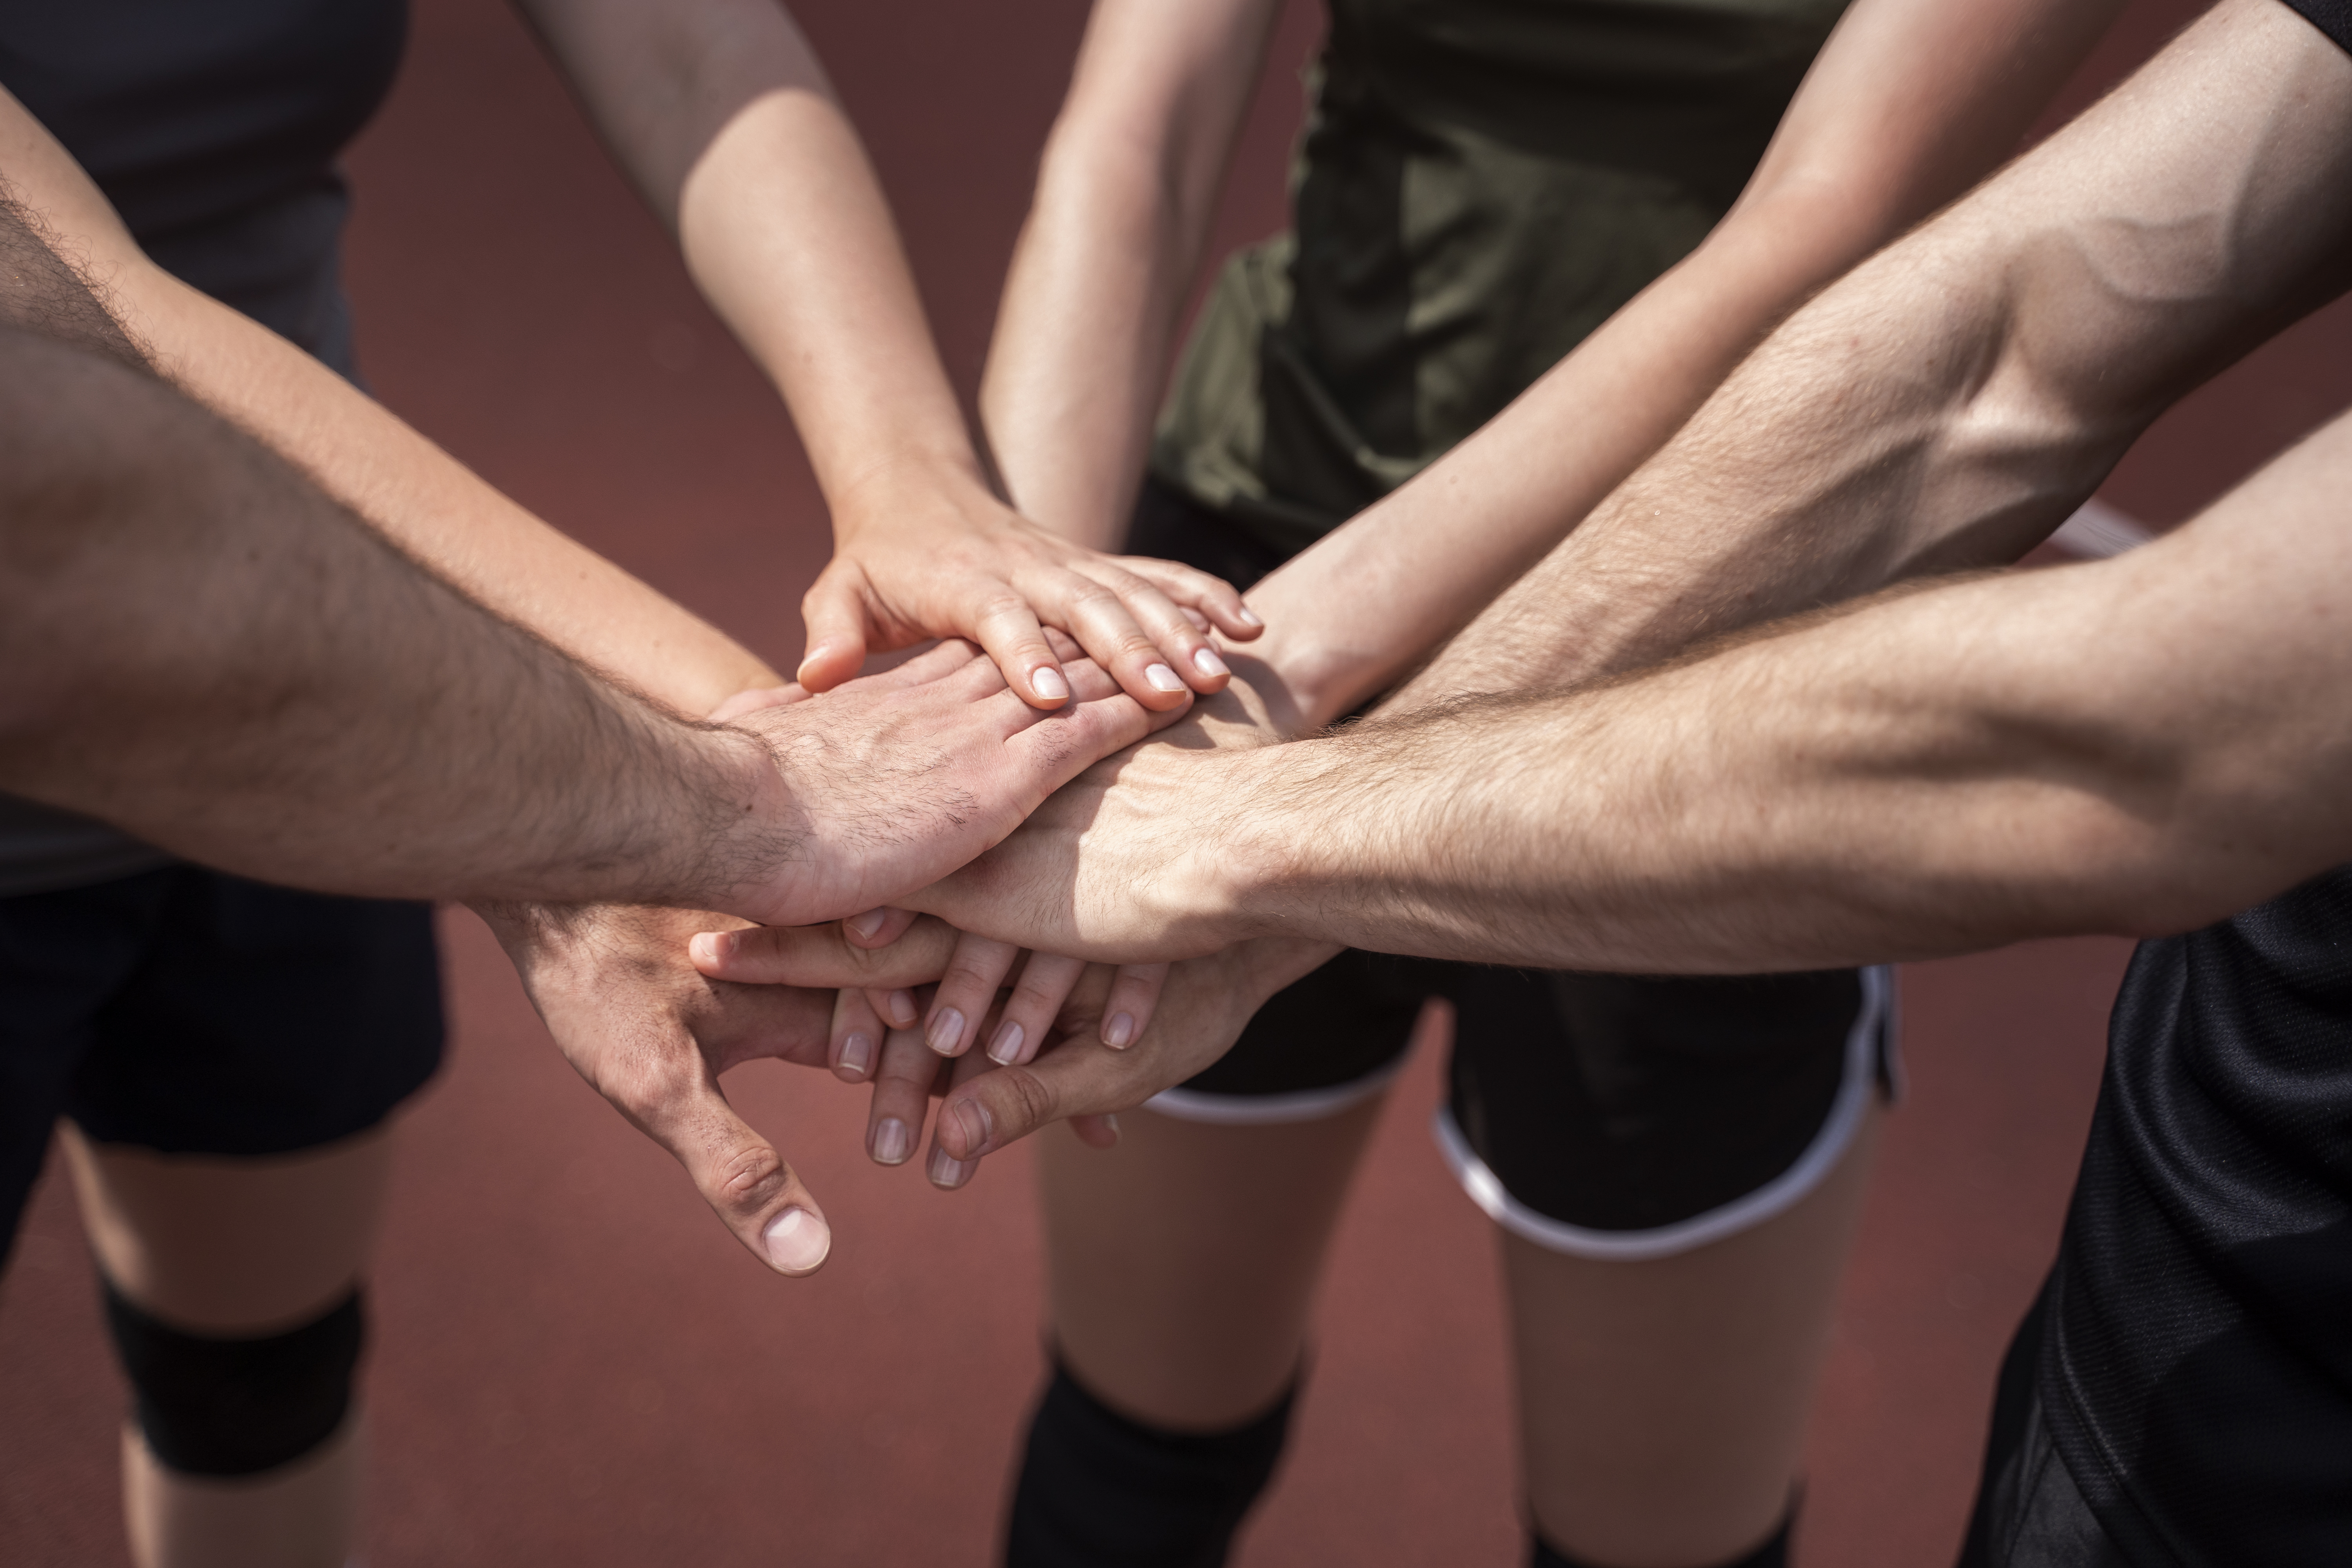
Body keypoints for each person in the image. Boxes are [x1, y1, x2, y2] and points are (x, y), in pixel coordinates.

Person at [708, 0, 2352, 1561]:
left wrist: (1244, 730)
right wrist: (1030, 675)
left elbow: (1825, 233)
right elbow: (1136, 124)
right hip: (1228, 601)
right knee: (1137, 1440)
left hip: (1716, 669)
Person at [0, 2, 1235, 1562]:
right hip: (181, 655)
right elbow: (93, 324)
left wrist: (912, 478)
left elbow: (687, 45)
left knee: (256, 1374)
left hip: (340, 677)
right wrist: (737, 777)